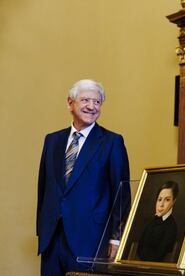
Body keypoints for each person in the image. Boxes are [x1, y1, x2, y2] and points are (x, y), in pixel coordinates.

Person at [36, 79, 131, 275]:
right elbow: (44, 187)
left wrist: (116, 238)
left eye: (97, 102)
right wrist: (42, 230)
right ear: (70, 103)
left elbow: (121, 193)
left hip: (91, 239)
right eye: (85, 100)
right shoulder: (52, 140)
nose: (91, 106)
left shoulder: (112, 142)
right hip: (52, 238)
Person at [137, 181, 179, 262]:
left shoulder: (171, 226)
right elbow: (139, 247)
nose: (161, 204)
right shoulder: (151, 222)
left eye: (167, 200)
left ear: (173, 201)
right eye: (159, 199)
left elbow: (159, 255)